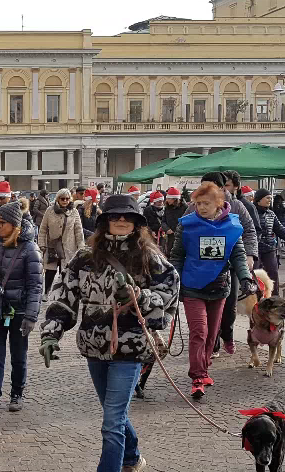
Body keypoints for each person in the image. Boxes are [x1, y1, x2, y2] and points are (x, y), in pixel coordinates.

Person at [40, 194, 179, 472]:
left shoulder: (150, 257)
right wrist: (51, 333)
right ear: (105, 221)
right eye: (114, 216)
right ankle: (132, 457)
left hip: (131, 348)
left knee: (112, 420)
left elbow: (169, 296)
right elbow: (64, 296)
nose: (121, 221)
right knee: (113, 413)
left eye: (127, 216)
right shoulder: (84, 257)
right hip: (93, 344)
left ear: (137, 222)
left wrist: (138, 296)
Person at [170, 182, 255, 398]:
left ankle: (204, 369)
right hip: (192, 286)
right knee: (199, 331)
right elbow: (177, 255)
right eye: (197, 203)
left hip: (219, 287)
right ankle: (197, 376)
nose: (201, 207)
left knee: (212, 334)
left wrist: (245, 277)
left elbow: (237, 254)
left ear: (219, 203)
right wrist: (174, 281)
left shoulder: (232, 226)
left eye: (206, 203)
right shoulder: (186, 225)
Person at [0, 201, 42, 416]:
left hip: (19, 312)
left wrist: (31, 316)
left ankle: (17, 393)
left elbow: (35, 286)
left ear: (14, 225)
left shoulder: (30, 249)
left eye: (1, 223)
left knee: (18, 355)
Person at [185, 172, 258, 357]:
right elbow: (183, 232)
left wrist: (249, 255)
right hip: (200, 267)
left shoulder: (237, 206)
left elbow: (249, 231)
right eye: (202, 186)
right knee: (203, 312)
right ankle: (213, 345)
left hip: (228, 265)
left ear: (221, 188)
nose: (205, 191)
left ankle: (228, 335)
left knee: (229, 306)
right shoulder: (193, 207)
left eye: (210, 186)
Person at [37, 188, 84, 294]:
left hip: (68, 247)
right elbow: (43, 229)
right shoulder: (50, 210)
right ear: (58, 199)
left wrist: (81, 247)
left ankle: (64, 293)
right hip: (52, 246)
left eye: (67, 199)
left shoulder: (74, 211)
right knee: (50, 271)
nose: (65, 201)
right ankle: (47, 292)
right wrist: (42, 244)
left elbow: (78, 231)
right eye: (62, 198)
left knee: (66, 271)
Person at [255, 189, 285, 294]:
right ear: (259, 199)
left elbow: (280, 229)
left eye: (270, 198)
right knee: (256, 273)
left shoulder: (271, 214)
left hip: (269, 247)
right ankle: (257, 297)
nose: (270, 200)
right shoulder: (251, 212)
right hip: (255, 248)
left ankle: (275, 297)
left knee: (273, 272)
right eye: (267, 198)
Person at [162, 187, 186, 256]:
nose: (167, 200)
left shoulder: (184, 207)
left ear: (175, 199)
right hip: (170, 236)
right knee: (169, 253)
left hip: (181, 235)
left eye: (169, 198)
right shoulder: (167, 208)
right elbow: (163, 221)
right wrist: (167, 229)